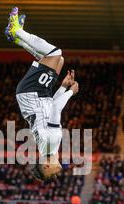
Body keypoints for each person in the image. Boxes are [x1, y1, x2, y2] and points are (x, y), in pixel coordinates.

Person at [5, 7, 79, 181]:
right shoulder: (46, 147)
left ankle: (17, 31)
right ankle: (17, 38)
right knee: (59, 61)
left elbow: (55, 108)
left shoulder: (51, 143)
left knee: (55, 53)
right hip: (39, 96)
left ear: (46, 165)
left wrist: (70, 93)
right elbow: (49, 107)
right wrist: (62, 87)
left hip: (32, 93)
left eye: (53, 173)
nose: (58, 171)